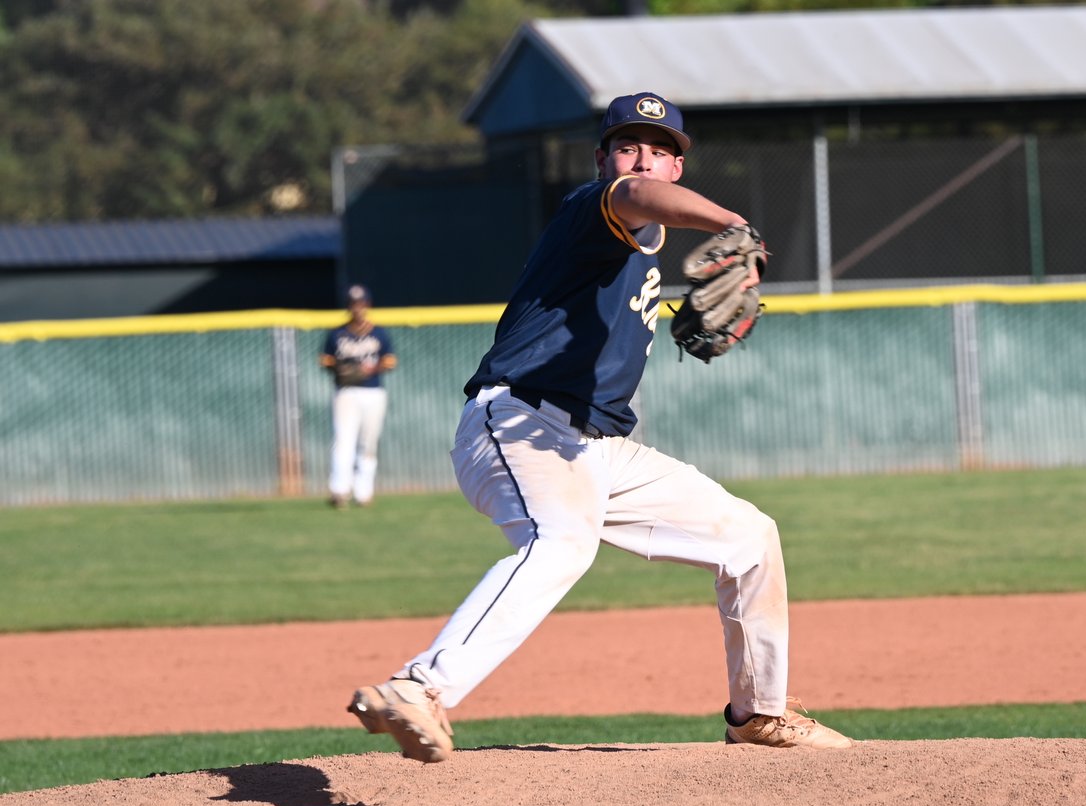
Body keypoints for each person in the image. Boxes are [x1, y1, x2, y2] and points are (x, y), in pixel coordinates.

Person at [348, 92, 852, 761]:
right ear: (604, 159)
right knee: (561, 541)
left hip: (595, 447)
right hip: (518, 419)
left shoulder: (643, 248)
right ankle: (420, 687)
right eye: (628, 144)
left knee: (751, 539)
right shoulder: (597, 207)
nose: (644, 157)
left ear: (679, 164)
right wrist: (734, 222)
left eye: (662, 148)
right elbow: (635, 192)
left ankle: (758, 713)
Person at [319, 284, 396, 509]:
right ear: (349, 307)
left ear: (367, 305)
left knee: (368, 443)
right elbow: (324, 359)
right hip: (345, 392)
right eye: (354, 304)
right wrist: (341, 366)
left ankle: (364, 493)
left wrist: (371, 369)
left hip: (373, 391)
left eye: (361, 304)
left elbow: (391, 361)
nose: (358, 308)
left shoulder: (378, 333)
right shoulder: (337, 334)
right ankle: (340, 490)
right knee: (343, 440)